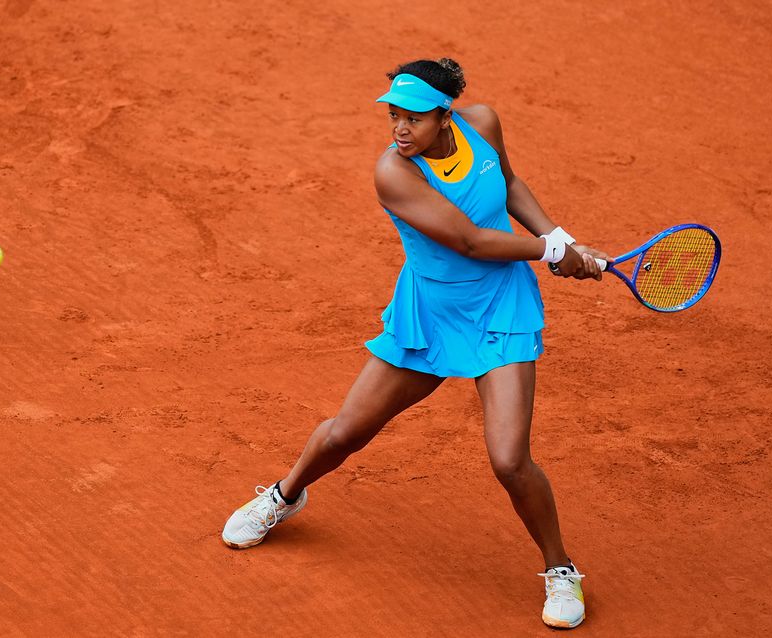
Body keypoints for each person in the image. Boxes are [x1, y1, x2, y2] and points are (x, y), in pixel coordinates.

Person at [222, 58, 610, 630]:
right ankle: (285, 494)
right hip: (430, 314)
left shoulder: (483, 123)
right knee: (347, 432)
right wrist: (552, 254)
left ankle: (560, 569)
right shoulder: (394, 174)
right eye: (394, 117)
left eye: (414, 118)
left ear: (445, 115)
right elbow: (470, 241)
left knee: (509, 459)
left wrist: (558, 236)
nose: (400, 130)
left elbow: (509, 183)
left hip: (499, 309)